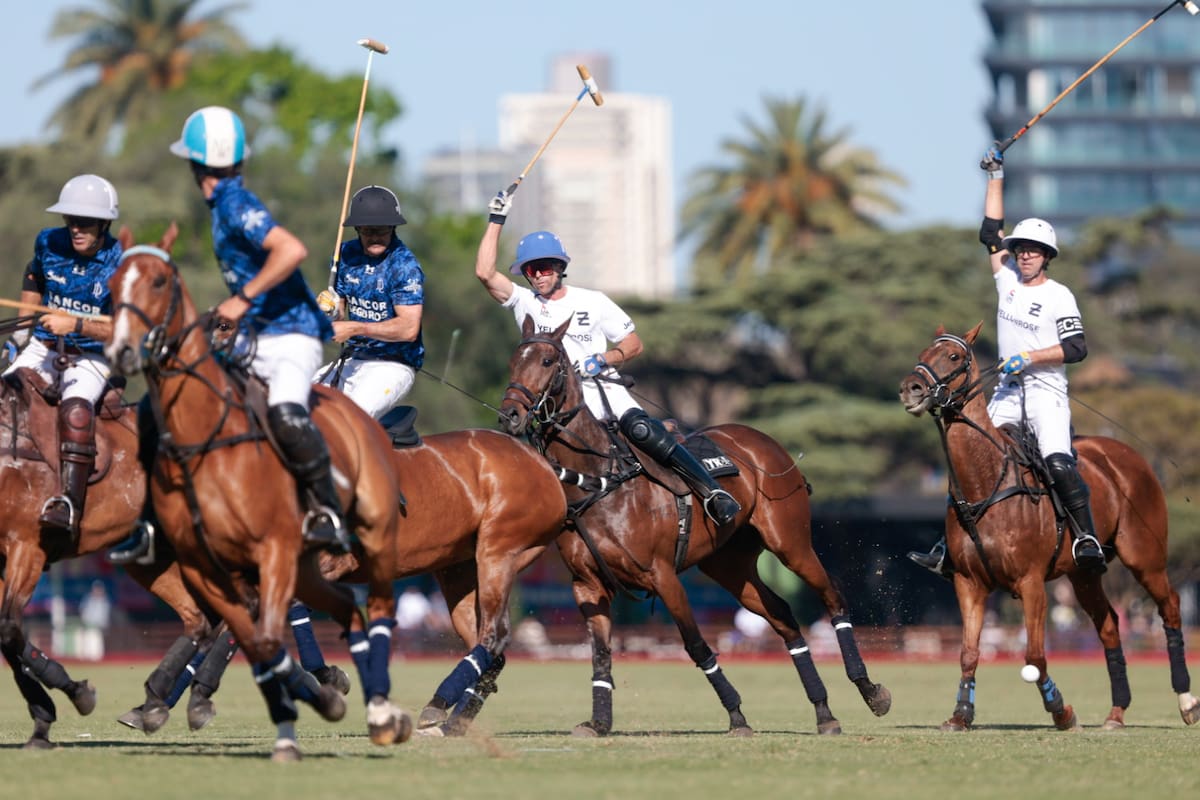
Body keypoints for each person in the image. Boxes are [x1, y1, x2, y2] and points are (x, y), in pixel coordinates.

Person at [476, 190, 740, 527]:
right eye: (530, 270)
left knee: (643, 429)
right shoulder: (525, 302)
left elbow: (633, 344)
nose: (537, 275)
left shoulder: (594, 301)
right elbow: (485, 272)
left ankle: (712, 492)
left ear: (559, 267)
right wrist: (496, 219)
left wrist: (603, 359)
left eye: (543, 268)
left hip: (603, 391)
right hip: (553, 401)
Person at [908, 144, 1106, 578]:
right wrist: (995, 175)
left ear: (1047, 256)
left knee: (1057, 461)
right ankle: (948, 546)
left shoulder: (1059, 296)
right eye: (1021, 249)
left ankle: (1086, 538)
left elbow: (1076, 349)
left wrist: (1031, 356)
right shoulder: (1008, 281)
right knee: (971, 457)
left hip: (1045, 393)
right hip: (1006, 391)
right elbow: (990, 232)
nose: (1025, 254)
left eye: (1034, 250)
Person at [169, 105, 346, 552]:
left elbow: (291, 250)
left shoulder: (234, 203)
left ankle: (327, 510)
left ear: (194, 166)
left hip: (292, 335)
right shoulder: (222, 205)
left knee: (286, 413)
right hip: (253, 338)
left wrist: (241, 299)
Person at [3, 174, 120, 541]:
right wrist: (23, 330)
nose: (75, 229)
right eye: (70, 220)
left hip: (91, 354)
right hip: (43, 346)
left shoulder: (121, 263)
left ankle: (68, 501)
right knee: (4, 396)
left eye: (84, 222)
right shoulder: (48, 242)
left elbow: (124, 329)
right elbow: (34, 275)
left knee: (76, 407)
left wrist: (76, 324)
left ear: (104, 224)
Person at [314, 185, 424, 420]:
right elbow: (340, 310)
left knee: (348, 420)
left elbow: (409, 328)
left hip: (393, 365)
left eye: (381, 230)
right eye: (367, 230)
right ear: (357, 229)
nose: (374, 236)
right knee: (297, 405)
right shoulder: (345, 254)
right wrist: (331, 309)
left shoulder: (404, 266)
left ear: (393, 227)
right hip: (354, 360)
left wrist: (356, 328)